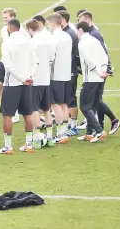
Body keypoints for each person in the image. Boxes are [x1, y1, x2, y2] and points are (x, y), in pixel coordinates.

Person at [0, 19, 38, 154]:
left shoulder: (7, 43)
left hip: (12, 83)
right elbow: (35, 62)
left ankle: (8, 146)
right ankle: (29, 144)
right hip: (27, 83)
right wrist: (28, 77)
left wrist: (21, 78)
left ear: (9, 28)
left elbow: (8, 65)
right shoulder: (29, 42)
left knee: (7, 114)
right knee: (27, 113)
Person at [78, 11, 120, 134]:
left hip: (96, 73)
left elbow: (101, 53)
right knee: (96, 101)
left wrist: (105, 69)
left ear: (87, 21)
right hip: (100, 71)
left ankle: (103, 126)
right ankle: (94, 130)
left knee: (93, 102)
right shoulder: (92, 34)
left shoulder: (93, 35)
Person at [76, 21, 108, 142]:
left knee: (84, 106)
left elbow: (88, 60)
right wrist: (103, 70)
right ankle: (90, 133)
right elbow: (104, 56)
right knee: (93, 105)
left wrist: (97, 70)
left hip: (91, 79)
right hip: (100, 78)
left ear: (80, 30)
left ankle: (99, 131)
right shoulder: (95, 40)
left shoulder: (82, 43)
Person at [25, 19, 56, 148]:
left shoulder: (32, 43)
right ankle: (49, 138)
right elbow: (52, 58)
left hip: (35, 80)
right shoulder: (47, 41)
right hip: (46, 79)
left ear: (30, 30)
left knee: (34, 109)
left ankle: (37, 138)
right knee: (47, 110)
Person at [46, 13, 73, 144]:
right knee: (64, 104)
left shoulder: (54, 38)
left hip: (55, 75)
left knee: (55, 104)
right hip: (66, 74)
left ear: (52, 23)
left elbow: (51, 57)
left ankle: (60, 134)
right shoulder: (67, 36)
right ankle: (64, 132)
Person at [57, 10, 81, 136]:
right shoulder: (67, 32)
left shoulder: (69, 34)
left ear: (63, 19)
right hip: (68, 71)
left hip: (70, 71)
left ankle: (73, 126)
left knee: (71, 99)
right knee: (67, 99)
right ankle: (68, 123)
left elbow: (75, 54)